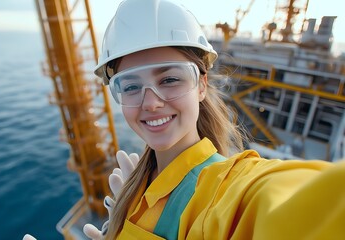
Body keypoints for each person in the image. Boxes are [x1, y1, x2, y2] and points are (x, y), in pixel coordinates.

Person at [25, 0, 345, 239]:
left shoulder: (228, 191)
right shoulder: (139, 192)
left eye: (170, 80)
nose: (150, 103)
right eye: (131, 86)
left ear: (202, 84)